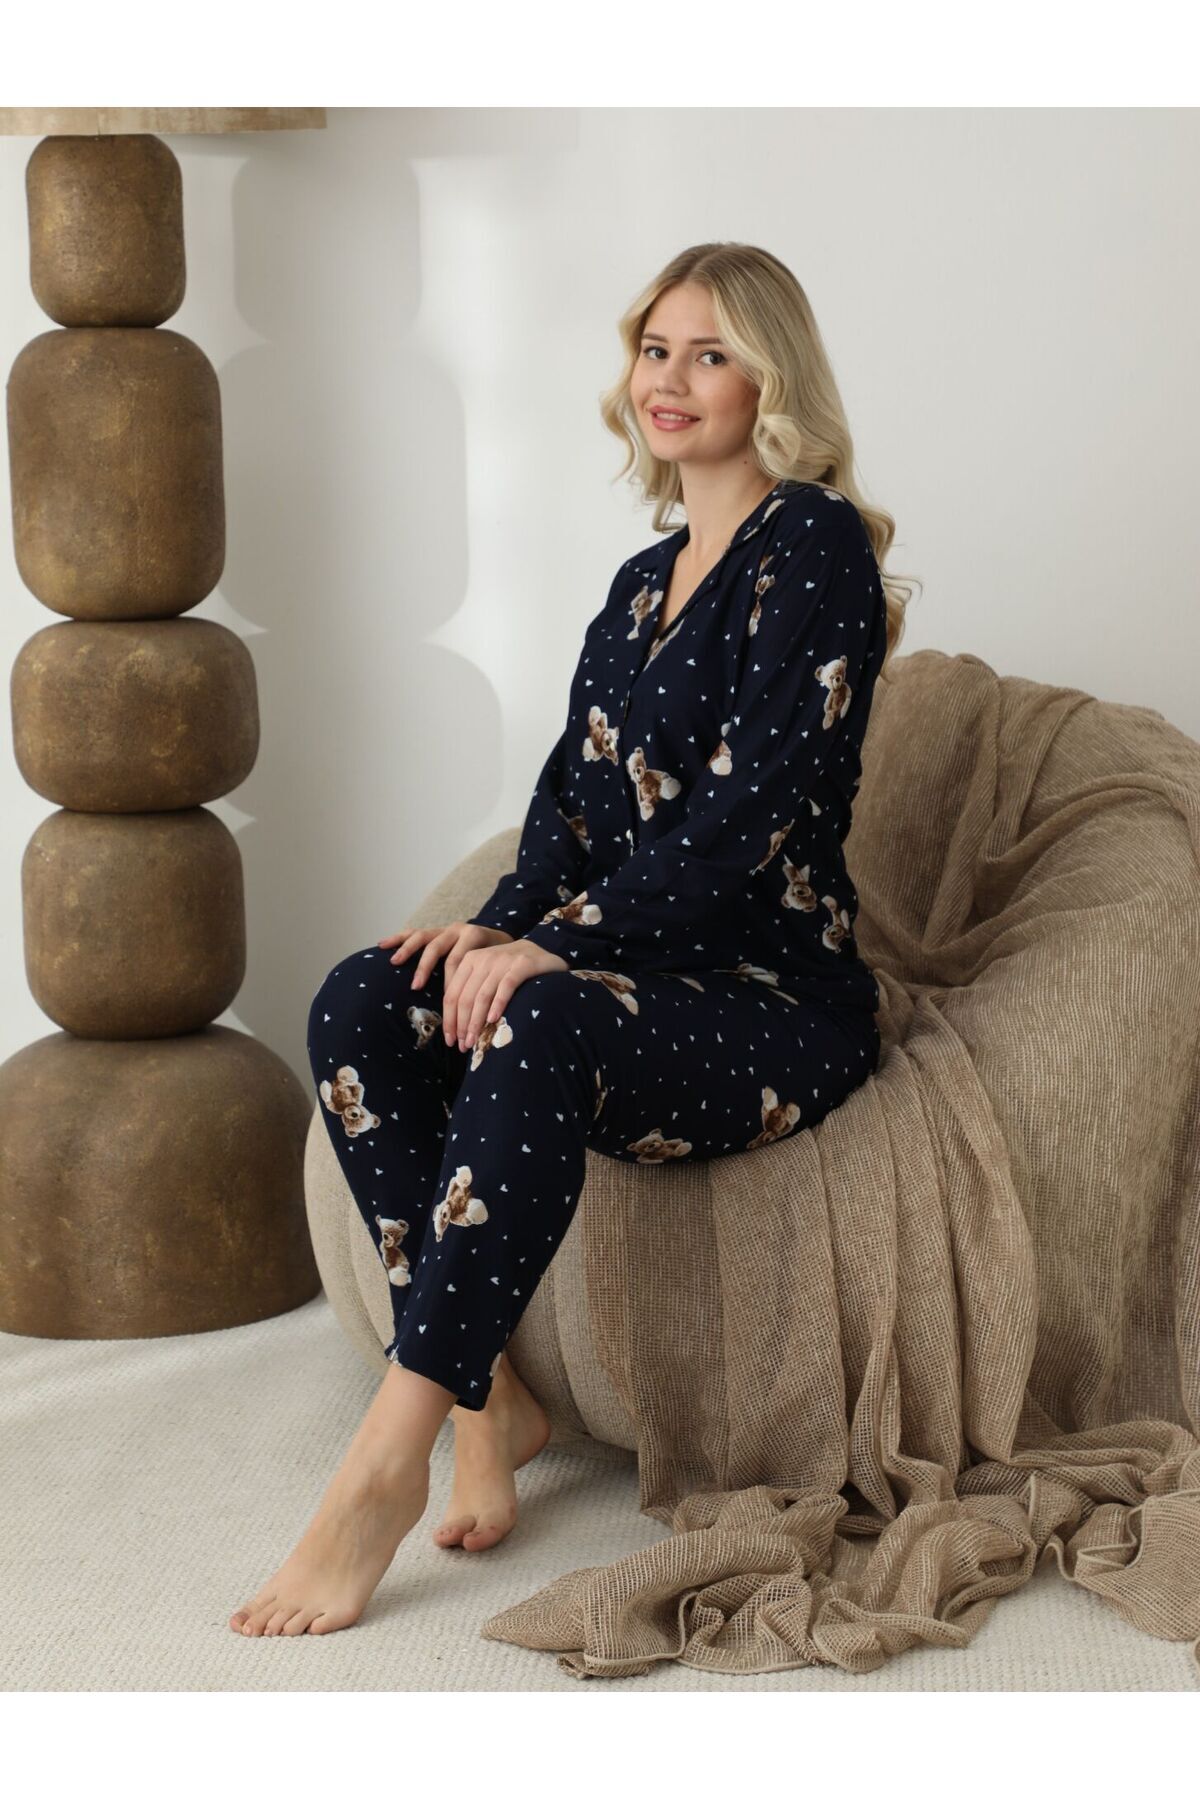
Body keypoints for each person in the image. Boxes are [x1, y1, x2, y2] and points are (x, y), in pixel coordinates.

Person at [230, 240, 911, 1639]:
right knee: (366, 995)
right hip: (632, 968)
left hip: (774, 993)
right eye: (657, 350)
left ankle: (385, 1462)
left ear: (771, 380)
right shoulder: (638, 585)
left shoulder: (815, 545)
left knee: (536, 1012)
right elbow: (566, 821)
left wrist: (557, 949)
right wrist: (490, 929)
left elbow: (748, 817)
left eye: (712, 355)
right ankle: (490, 1403)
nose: (672, 380)